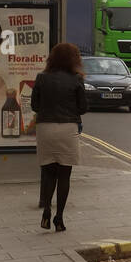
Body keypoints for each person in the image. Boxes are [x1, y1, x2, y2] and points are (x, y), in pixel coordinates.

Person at [31, 42, 87, 232]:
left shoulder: (42, 77)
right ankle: (59, 218)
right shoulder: (77, 79)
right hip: (67, 129)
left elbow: (35, 106)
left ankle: (46, 210)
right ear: (74, 59)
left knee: (48, 172)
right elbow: (83, 108)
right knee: (64, 175)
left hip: (45, 128)